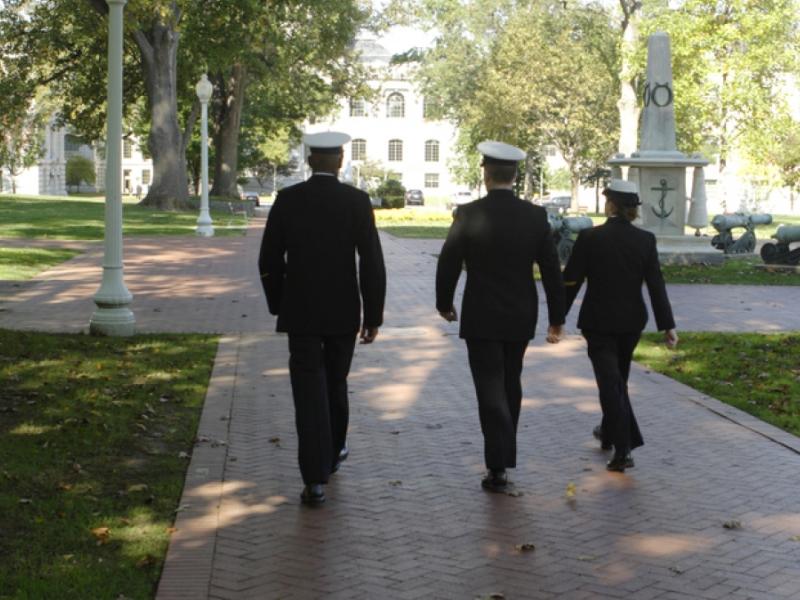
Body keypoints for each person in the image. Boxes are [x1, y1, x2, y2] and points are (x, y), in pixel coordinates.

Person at [258, 131, 386, 505]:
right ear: (341, 161)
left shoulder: (288, 199)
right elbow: (371, 263)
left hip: (301, 313)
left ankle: (314, 480)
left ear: (310, 160)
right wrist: (372, 314)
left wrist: (279, 303)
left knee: (308, 392)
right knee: (335, 383)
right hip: (344, 312)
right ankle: (332, 454)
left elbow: (269, 260)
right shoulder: (357, 202)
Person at [436, 140, 566, 493]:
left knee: (489, 387)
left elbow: (449, 261)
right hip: (520, 312)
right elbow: (551, 269)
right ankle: (503, 457)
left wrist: (444, 302)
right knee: (511, 382)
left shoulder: (468, 213)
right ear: (515, 175)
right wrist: (557, 317)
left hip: (481, 313)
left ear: (485, 173)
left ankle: (497, 464)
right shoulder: (535, 216)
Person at [562, 179, 678, 472]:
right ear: (633, 209)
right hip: (631, 323)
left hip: (598, 322)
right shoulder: (645, 240)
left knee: (609, 383)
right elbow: (655, 285)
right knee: (617, 380)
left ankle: (623, 449)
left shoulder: (589, 237)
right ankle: (608, 430)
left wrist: (557, 316)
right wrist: (667, 325)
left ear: (610, 204)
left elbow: (572, 280)